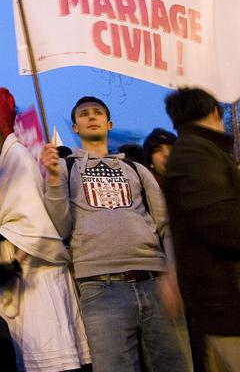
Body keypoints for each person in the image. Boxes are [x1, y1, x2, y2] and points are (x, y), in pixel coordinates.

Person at [41, 95, 192, 372]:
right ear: (75, 127)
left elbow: (166, 225)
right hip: (100, 288)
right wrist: (51, 180)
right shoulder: (65, 168)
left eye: (97, 112)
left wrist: (173, 273)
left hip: (155, 281)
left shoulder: (136, 169)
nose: (91, 116)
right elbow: (60, 226)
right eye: (84, 113)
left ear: (109, 123)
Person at [0, 88, 90, 372]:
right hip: (13, 274)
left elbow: (34, 221)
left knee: (46, 359)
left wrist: (11, 263)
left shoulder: (18, 159)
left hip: (33, 274)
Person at [164, 87, 240, 372]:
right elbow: (223, 226)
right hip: (228, 300)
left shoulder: (196, 151)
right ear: (214, 112)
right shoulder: (197, 153)